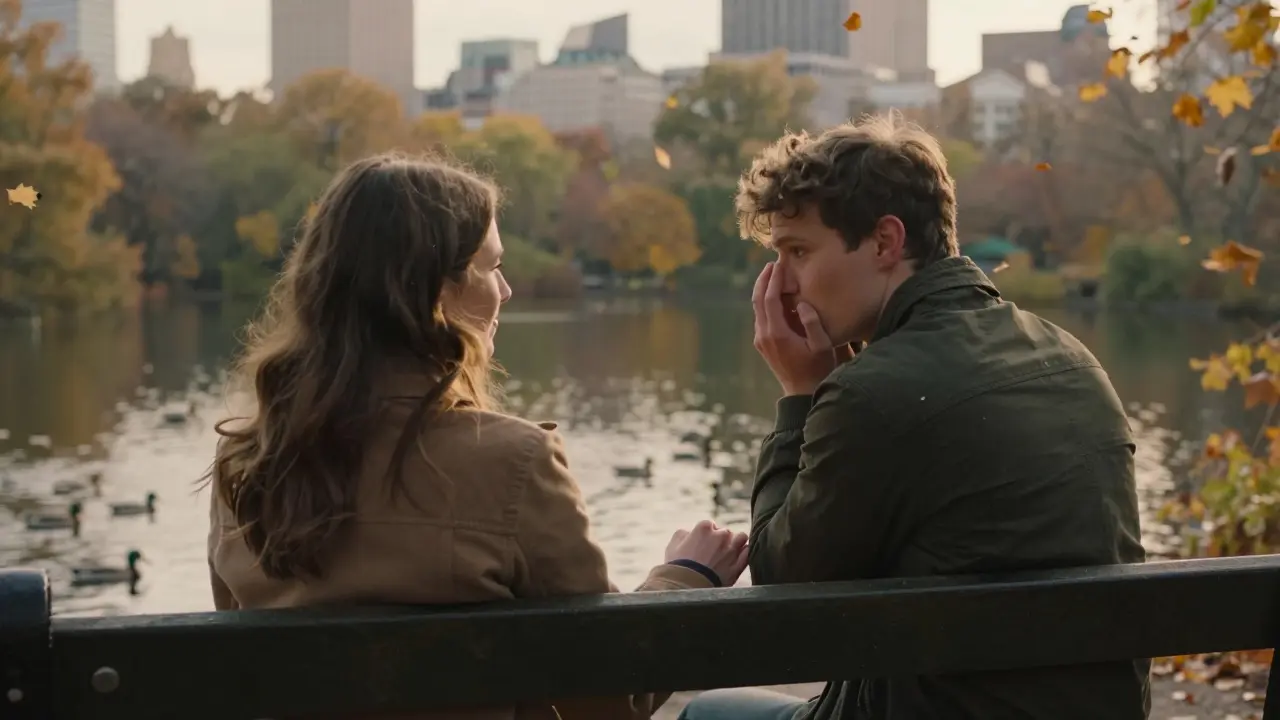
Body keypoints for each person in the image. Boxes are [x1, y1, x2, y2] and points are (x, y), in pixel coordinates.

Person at [204, 153, 750, 720]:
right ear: (435, 292)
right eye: (491, 266)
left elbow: (243, 667)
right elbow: (608, 705)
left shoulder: (246, 461)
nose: (507, 290)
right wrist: (685, 579)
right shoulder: (513, 462)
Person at [678, 114, 1150, 719]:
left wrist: (801, 395)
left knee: (709, 712)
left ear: (884, 242)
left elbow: (783, 590)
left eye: (798, 251)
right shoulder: (1071, 357)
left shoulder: (872, 395)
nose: (781, 284)